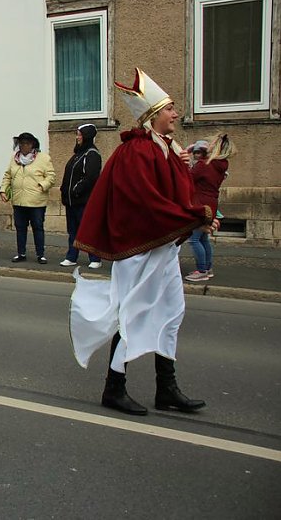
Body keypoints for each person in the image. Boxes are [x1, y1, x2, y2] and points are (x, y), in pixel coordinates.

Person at [70, 68, 215, 416]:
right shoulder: (137, 151)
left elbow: (177, 195)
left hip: (161, 248)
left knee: (170, 312)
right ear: (152, 115)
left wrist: (197, 210)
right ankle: (114, 387)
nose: (176, 113)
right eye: (169, 108)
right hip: (140, 248)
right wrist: (196, 216)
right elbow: (146, 202)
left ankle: (166, 387)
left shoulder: (164, 147)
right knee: (132, 314)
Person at [184, 133, 235, 282]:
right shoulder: (219, 165)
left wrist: (186, 158)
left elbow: (187, 179)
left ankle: (201, 270)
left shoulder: (204, 165)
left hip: (200, 204)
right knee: (203, 238)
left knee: (194, 239)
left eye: (211, 143)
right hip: (211, 203)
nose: (196, 155)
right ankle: (208, 268)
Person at [0, 132, 55, 264]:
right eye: (21, 143)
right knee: (20, 227)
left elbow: (51, 177)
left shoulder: (43, 158)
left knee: (37, 227)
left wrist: (42, 186)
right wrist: (3, 190)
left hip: (36, 201)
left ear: (32, 144)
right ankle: (21, 253)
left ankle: (40, 254)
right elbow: (7, 175)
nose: (23, 146)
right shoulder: (15, 158)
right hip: (19, 200)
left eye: (27, 143)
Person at [59, 124, 102, 269]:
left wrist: (76, 189)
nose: (77, 137)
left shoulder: (92, 154)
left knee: (88, 230)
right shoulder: (77, 154)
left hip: (84, 201)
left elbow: (90, 177)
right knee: (73, 231)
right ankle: (71, 256)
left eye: (79, 134)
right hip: (72, 201)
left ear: (87, 136)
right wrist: (64, 191)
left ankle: (95, 258)